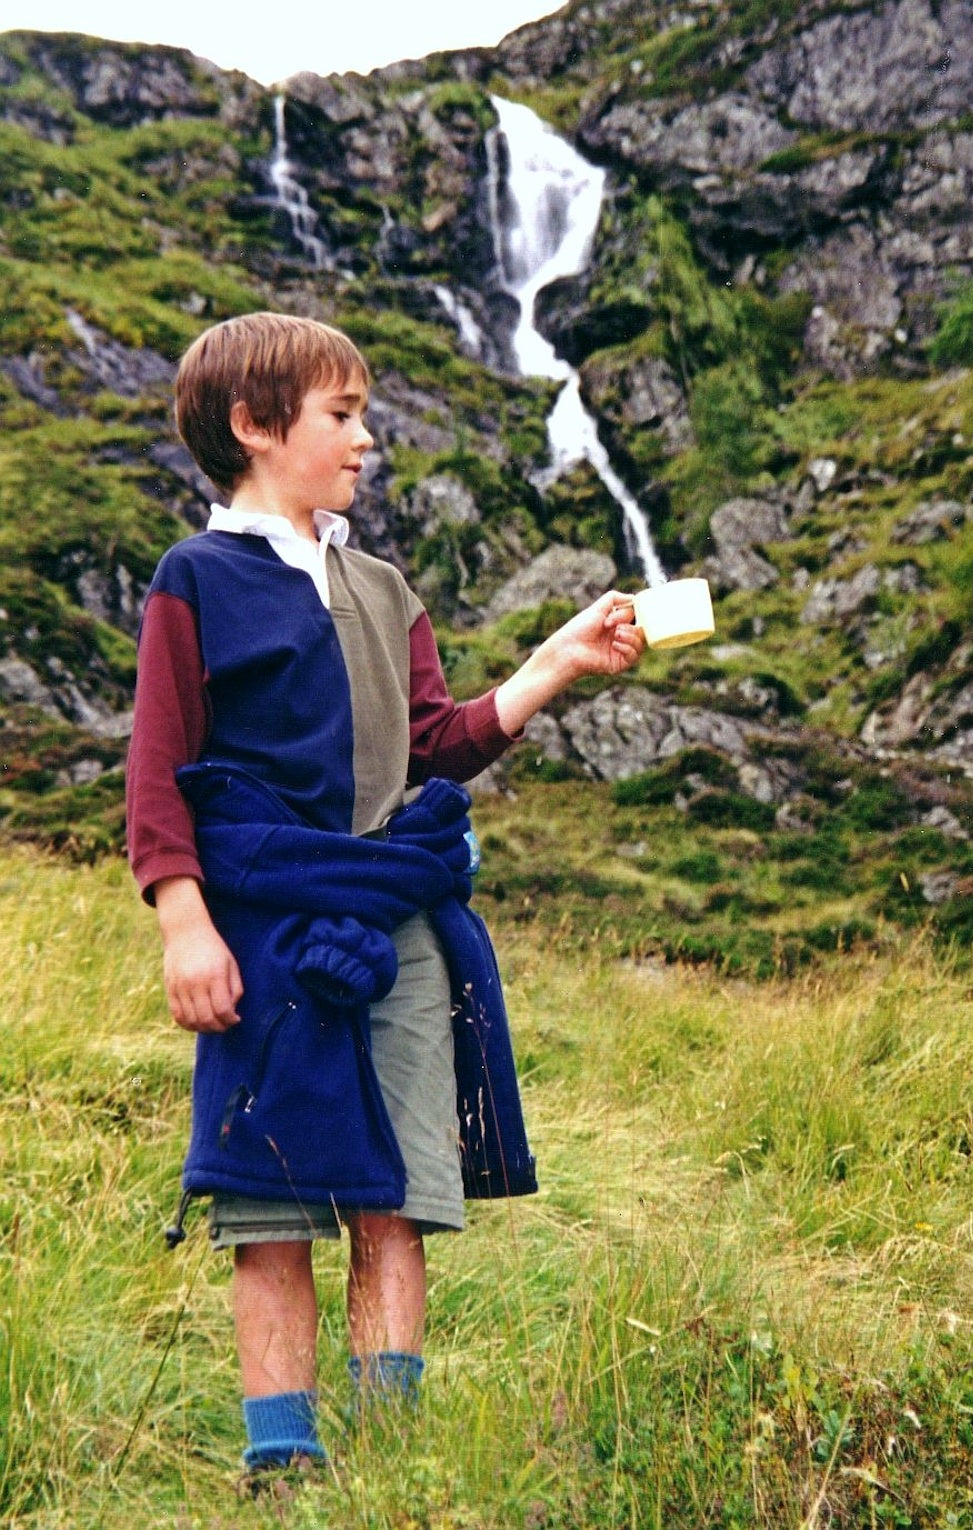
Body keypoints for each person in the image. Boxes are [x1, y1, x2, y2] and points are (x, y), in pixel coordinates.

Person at [125, 311, 644, 1479]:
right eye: (342, 416)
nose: (366, 439)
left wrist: (554, 660)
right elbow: (157, 771)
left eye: (362, 414)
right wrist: (184, 917)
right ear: (257, 427)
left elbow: (436, 744)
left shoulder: (381, 583)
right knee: (267, 1203)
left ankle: (388, 1457)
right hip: (261, 928)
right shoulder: (193, 579)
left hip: (396, 921)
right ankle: (282, 1463)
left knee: (396, 1193)